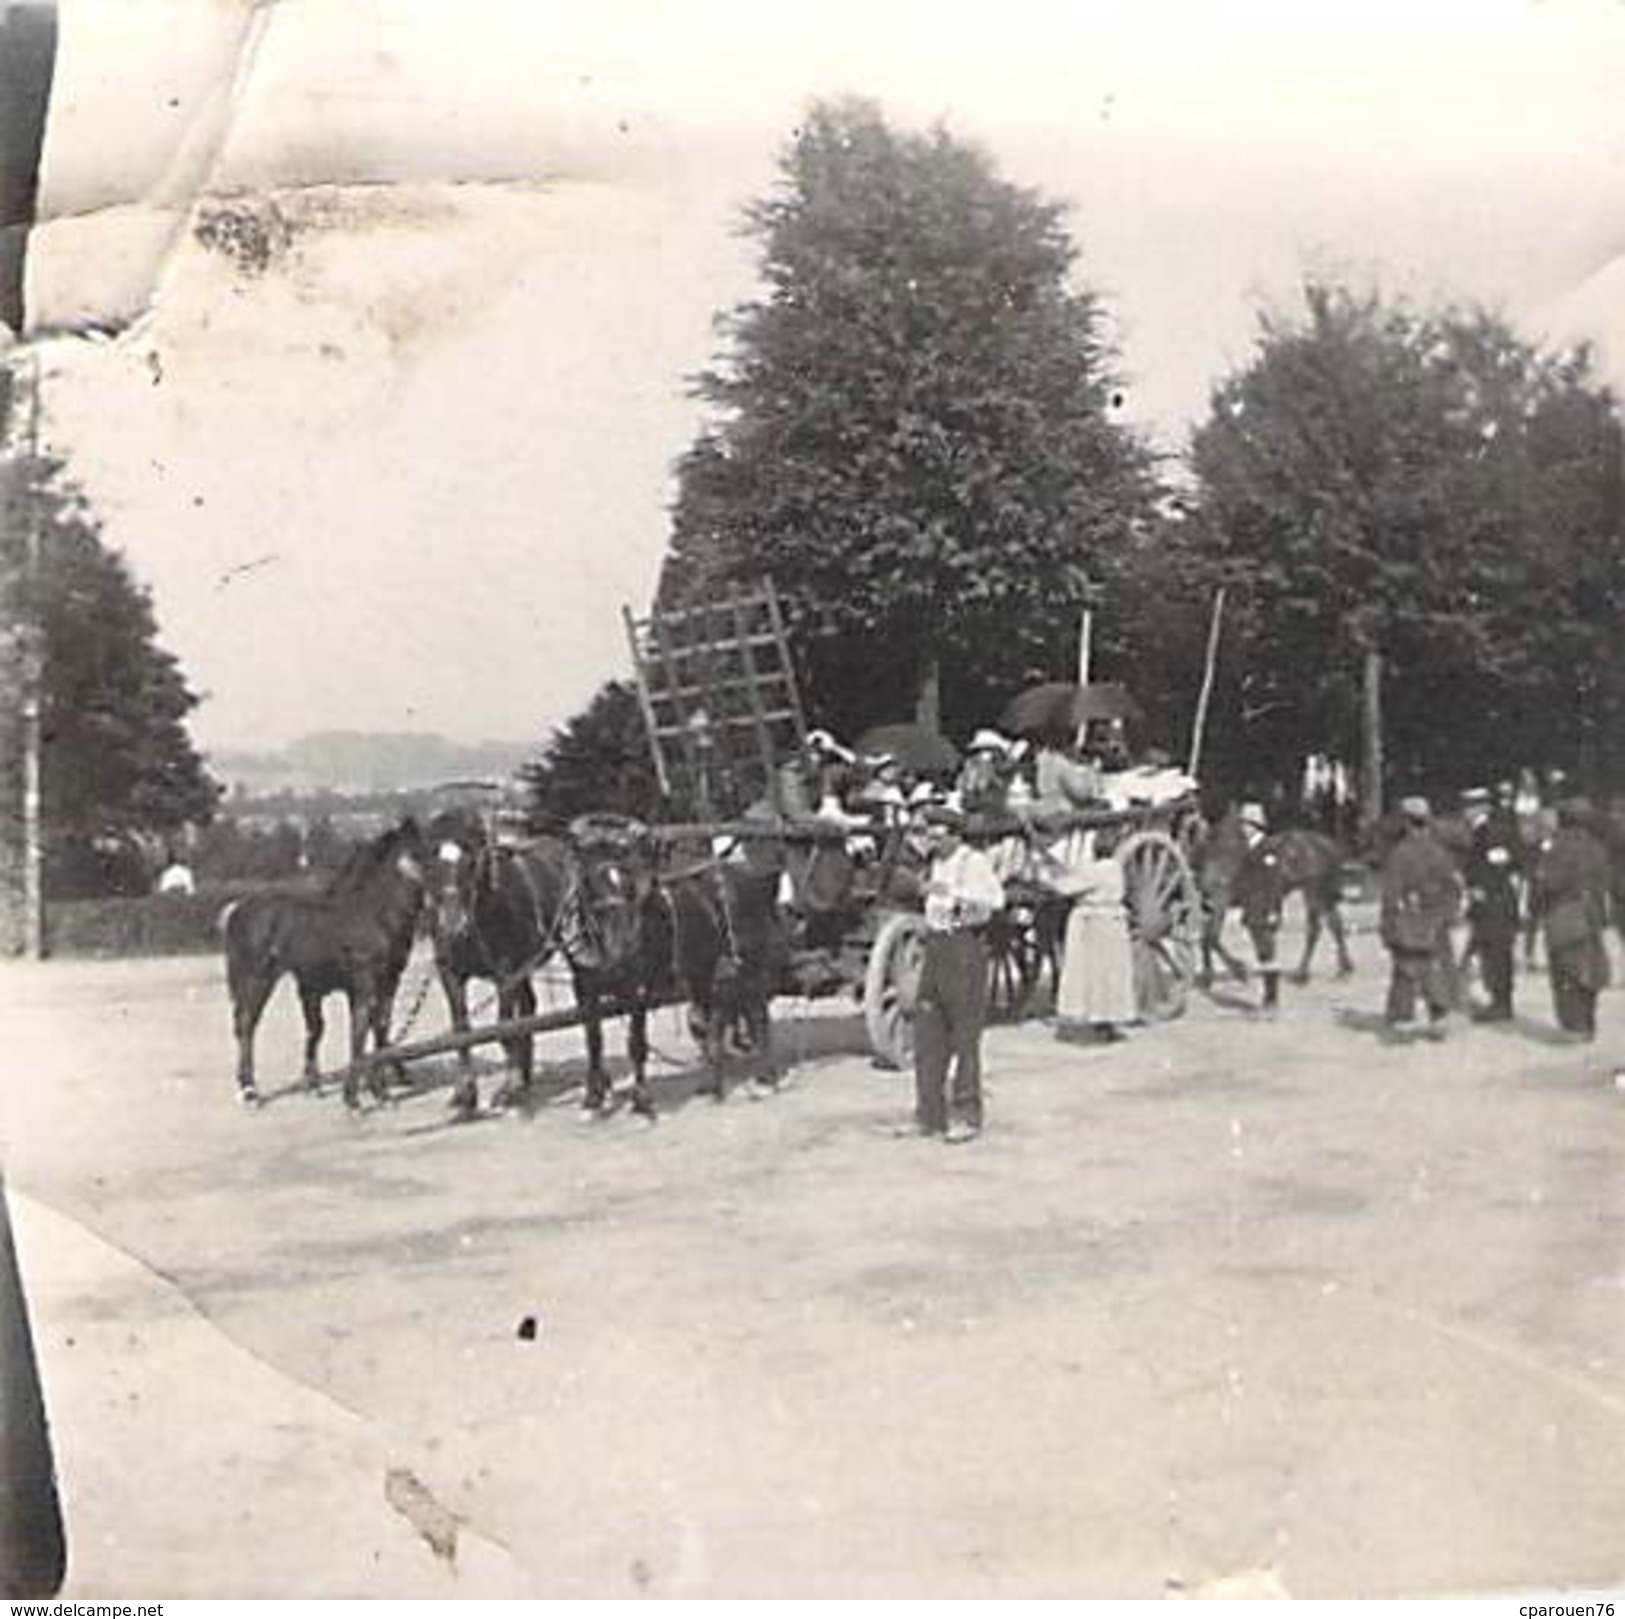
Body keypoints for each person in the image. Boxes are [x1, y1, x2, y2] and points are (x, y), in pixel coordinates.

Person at [908, 801, 1005, 1143]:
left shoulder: (973, 862)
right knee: (927, 1034)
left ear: (953, 834)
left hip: (963, 947)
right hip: (936, 947)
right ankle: (928, 1115)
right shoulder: (932, 864)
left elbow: (993, 904)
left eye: (935, 832)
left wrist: (952, 898)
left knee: (965, 1037)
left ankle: (967, 1116)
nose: (929, 840)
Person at [1378, 796, 1463, 1039]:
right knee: (1435, 969)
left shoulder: (1400, 853)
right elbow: (1453, 887)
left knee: (1405, 970)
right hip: (1435, 921)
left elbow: (1391, 894)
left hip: (1408, 920)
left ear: (1405, 822)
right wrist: (1447, 915)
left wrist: (1388, 925)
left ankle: (1402, 1020)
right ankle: (1439, 1017)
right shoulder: (1440, 852)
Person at [1530, 797, 1612, 1041]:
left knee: (1565, 971)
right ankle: (1588, 1023)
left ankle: (1573, 1026)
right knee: (1588, 968)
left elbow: (1549, 882)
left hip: (1563, 914)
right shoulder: (1597, 846)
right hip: (1592, 915)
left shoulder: (1559, 848)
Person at [1053, 826, 1137, 1044]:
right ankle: (1107, 1022)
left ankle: (1094, 1023)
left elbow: (1066, 888)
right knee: (1109, 973)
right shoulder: (1115, 868)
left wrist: (1048, 881)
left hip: (1093, 924)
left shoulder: (1096, 870)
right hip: (1111, 923)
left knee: (1090, 973)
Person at [1460, 785, 1523, 1023]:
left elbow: (1499, 865)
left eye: (1470, 807)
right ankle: (1499, 1000)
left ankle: (1501, 1004)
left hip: (1494, 902)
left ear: (1482, 808)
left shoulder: (1490, 832)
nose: (1466, 812)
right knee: (1492, 953)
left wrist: (1480, 888)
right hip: (1493, 901)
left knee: (1496, 953)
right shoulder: (1483, 831)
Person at [956, 729, 1014, 816]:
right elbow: (968, 787)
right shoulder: (971, 766)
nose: (984, 753)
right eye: (981, 750)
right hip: (976, 813)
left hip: (995, 813)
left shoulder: (1003, 768)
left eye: (988, 749)